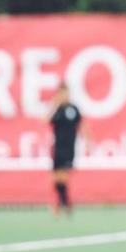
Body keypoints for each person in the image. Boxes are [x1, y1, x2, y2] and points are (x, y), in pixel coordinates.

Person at [48, 83, 81, 218]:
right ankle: (65, 202)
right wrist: (54, 104)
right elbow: (45, 120)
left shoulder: (73, 109)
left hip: (69, 148)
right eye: (61, 94)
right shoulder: (57, 110)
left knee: (63, 176)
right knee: (55, 179)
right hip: (57, 147)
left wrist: (90, 142)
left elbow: (82, 124)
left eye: (65, 93)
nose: (64, 96)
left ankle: (61, 204)